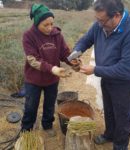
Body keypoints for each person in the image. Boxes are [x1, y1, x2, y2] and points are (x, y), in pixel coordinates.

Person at [67, 0, 130, 149]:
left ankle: (120, 146)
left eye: (102, 21)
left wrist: (95, 70)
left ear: (116, 16)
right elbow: (86, 40)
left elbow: (125, 69)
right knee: (109, 109)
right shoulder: (100, 24)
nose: (99, 24)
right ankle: (109, 134)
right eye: (97, 20)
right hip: (107, 75)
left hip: (126, 82)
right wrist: (76, 54)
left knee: (122, 115)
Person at [21, 3, 78, 137]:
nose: (49, 28)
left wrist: (72, 61)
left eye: (51, 23)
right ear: (36, 23)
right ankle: (27, 129)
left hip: (52, 79)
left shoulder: (56, 34)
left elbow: (64, 53)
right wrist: (52, 68)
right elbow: (33, 60)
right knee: (30, 106)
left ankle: (47, 125)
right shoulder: (28, 36)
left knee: (49, 105)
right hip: (33, 80)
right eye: (45, 25)